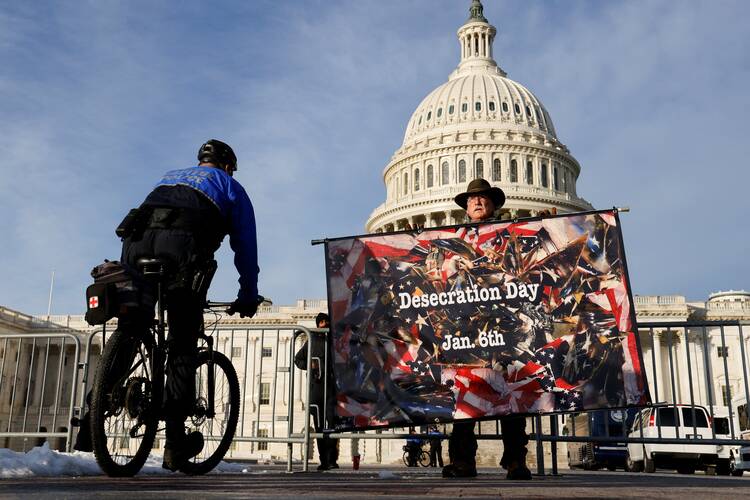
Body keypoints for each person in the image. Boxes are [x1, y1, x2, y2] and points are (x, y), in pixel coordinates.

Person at [76, 139, 261, 471]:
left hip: (134, 248)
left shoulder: (170, 175)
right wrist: (248, 293)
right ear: (228, 166)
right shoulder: (230, 186)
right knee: (182, 342)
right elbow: (244, 245)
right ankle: (175, 443)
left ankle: (94, 413)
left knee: (134, 324)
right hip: (181, 250)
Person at [442, 178, 532, 481]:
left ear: (494, 204)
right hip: (467, 328)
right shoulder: (453, 239)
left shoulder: (509, 235)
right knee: (464, 399)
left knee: (511, 397)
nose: (478, 202)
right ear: (466, 206)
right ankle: (463, 461)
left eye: (483, 198)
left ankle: (516, 461)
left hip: (505, 326)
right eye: (472, 199)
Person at [295, 312, 339, 471]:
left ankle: (332, 459)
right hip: (316, 388)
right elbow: (297, 359)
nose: (325, 324)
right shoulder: (311, 340)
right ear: (318, 324)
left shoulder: (334, 340)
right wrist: (310, 364)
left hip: (332, 388)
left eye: (327, 321)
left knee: (332, 425)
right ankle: (324, 461)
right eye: (322, 322)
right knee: (319, 426)